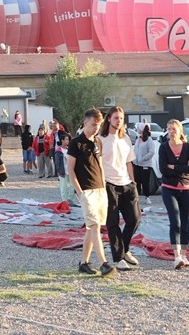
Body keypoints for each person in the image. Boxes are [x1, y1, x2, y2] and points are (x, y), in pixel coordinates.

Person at [69, 108, 116, 277]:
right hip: (86, 191)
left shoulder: (98, 142)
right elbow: (71, 170)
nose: (96, 128)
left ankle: (84, 263)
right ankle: (104, 263)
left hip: (99, 190)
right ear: (85, 123)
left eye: (99, 125)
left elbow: (100, 166)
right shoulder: (76, 143)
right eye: (93, 124)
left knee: (92, 227)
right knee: (95, 225)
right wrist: (80, 192)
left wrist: (104, 186)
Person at [99, 106, 141, 271]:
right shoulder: (101, 139)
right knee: (112, 222)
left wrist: (133, 182)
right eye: (116, 118)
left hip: (127, 184)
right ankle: (118, 257)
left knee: (135, 219)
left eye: (121, 118)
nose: (119, 121)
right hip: (109, 184)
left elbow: (129, 161)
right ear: (109, 119)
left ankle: (125, 249)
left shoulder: (126, 139)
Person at [158, 119, 189, 269]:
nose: (171, 132)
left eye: (173, 129)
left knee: (186, 222)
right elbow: (163, 169)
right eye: (168, 129)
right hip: (169, 188)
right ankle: (177, 256)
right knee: (175, 221)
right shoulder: (163, 148)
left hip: (187, 188)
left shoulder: (188, 147)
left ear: (180, 130)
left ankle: (185, 255)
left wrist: (173, 166)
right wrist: (181, 167)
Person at [133, 125, 156, 210]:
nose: (138, 130)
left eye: (139, 129)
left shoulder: (149, 140)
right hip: (136, 163)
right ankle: (137, 196)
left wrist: (143, 158)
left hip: (145, 164)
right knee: (137, 180)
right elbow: (135, 149)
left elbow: (152, 152)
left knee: (145, 181)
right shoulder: (138, 138)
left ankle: (147, 196)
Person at [56, 122, 75, 205]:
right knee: (63, 186)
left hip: (70, 170)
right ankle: (64, 200)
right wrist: (59, 171)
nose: (68, 141)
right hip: (63, 171)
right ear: (62, 140)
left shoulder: (70, 150)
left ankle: (69, 199)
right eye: (66, 139)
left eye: (68, 139)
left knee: (72, 186)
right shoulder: (58, 151)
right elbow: (57, 162)